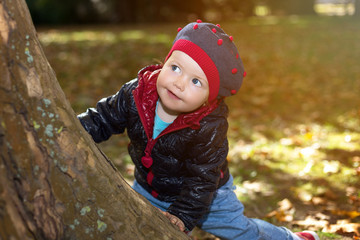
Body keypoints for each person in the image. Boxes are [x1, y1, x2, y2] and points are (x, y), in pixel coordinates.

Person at [78, 20, 320, 240]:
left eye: (196, 81)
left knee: (240, 231)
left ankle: (291, 238)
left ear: (208, 98)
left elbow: (202, 179)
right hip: (149, 187)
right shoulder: (137, 93)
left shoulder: (208, 125)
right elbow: (104, 118)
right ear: (166, 61)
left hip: (207, 196)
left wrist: (183, 214)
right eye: (175, 68)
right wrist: (79, 127)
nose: (179, 82)